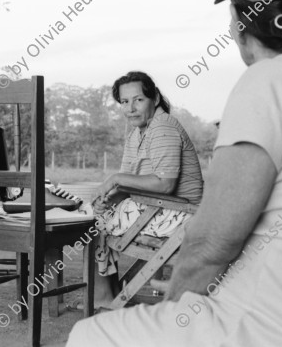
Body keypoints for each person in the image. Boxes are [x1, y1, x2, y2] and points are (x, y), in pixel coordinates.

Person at [67, 0, 282, 346]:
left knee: (90, 335)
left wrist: (175, 313)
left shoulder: (267, 82)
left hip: (279, 322)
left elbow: (211, 243)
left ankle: (105, 301)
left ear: (241, 23)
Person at [87, 71, 203, 309]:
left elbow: (165, 184)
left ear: (156, 99)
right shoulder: (136, 134)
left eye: (138, 99)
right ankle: (109, 293)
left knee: (89, 223)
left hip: (182, 213)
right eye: (124, 101)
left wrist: (115, 179)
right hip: (157, 207)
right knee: (96, 211)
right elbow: (130, 184)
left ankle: (104, 295)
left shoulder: (162, 128)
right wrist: (110, 200)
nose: (130, 108)